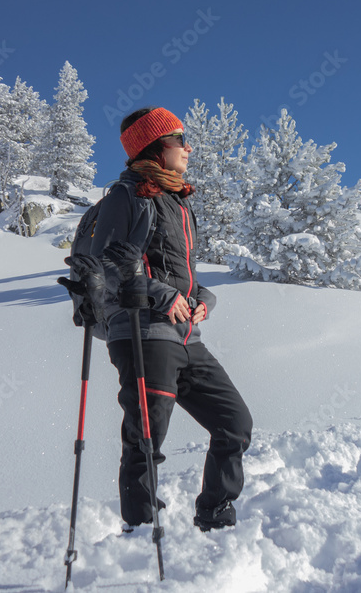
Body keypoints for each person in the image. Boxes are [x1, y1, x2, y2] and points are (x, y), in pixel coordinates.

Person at [90, 106, 253, 532]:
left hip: (184, 335)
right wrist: (163, 296)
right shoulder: (127, 196)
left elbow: (183, 275)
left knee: (234, 424)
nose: (187, 147)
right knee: (147, 438)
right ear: (155, 146)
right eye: (179, 138)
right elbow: (107, 261)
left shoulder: (178, 202)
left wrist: (203, 300)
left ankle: (215, 515)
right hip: (143, 331)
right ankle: (142, 530)